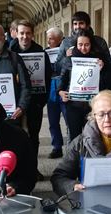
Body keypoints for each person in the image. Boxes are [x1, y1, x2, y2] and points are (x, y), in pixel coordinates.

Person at [9, 20, 52, 181]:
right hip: (13, 103)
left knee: (33, 138)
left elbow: (47, 78)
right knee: (14, 137)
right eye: (22, 33)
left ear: (32, 34)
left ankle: (33, 169)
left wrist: (42, 101)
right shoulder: (9, 52)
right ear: (16, 33)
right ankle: (17, 170)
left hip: (35, 102)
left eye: (28, 33)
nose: (25, 36)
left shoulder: (41, 53)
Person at [57, 30, 108, 141]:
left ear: (91, 44)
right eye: (80, 45)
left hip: (92, 107)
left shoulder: (99, 59)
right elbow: (62, 81)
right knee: (75, 138)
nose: (83, 48)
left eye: (86, 45)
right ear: (76, 45)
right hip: (73, 106)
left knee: (92, 137)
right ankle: (75, 158)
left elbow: (106, 84)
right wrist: (61, 92)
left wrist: (102, 70)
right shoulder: (69, 60)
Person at [46, 27, 67, 159]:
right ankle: (56, 147)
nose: (48, 41)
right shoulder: (45, 52)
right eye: (48, 38)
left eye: (51, 38)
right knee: (53, 121)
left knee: (69, 121)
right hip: (50, 90)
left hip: (63, 87)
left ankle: (72, 148)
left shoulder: (66, 50)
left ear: (59, 39)